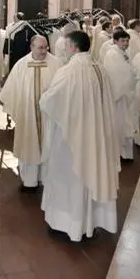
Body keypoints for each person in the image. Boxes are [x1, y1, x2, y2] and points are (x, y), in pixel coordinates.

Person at [39, 31, 119, 242]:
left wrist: (43, 96)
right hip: (97, 136)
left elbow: (50, 101)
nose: (63, 48)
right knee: (91, 174)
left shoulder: (69, 71)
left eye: (65, 45)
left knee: (70, 178)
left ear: (73, 47)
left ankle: (68, 223)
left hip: (73, 139)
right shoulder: (100, 69)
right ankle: (90, 221)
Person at [0, 35, 63, 191]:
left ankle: (47, 179)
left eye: (46, 47)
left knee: (49, 146)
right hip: (28, 116)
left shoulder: (56, 63)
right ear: (32, 47)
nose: (44, 51)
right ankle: (29, 181)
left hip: (50, 116)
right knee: (29, 146)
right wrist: (18, 110)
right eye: (40, 47)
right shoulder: (22, 65)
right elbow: (11, 91)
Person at [102, 29, 137, 161]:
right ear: (115, 41)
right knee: (119, 124)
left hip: (125, 94)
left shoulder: (122, 53)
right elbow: (117, 74)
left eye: (127, 41)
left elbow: (128, 70)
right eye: (123, 41)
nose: (126, 43)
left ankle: (124, 152)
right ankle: (117, 152)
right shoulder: (112, 54)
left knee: (125, 124)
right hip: (118, 95)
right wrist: (132, 77)